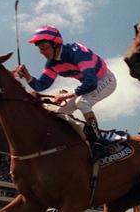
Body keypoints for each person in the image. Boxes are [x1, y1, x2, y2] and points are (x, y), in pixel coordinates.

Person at [16, 25, 117, 156]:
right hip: (88, 85)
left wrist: (67, 96)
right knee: (60, 113)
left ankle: (98, 142)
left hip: (105, 80)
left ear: (56, 44)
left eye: (44, 47)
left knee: (82, 102)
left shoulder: (77, 51)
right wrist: (28, 76)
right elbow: (41, 85)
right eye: (40, 49)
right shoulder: (51, 64)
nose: (42, 52)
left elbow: (91, 82)